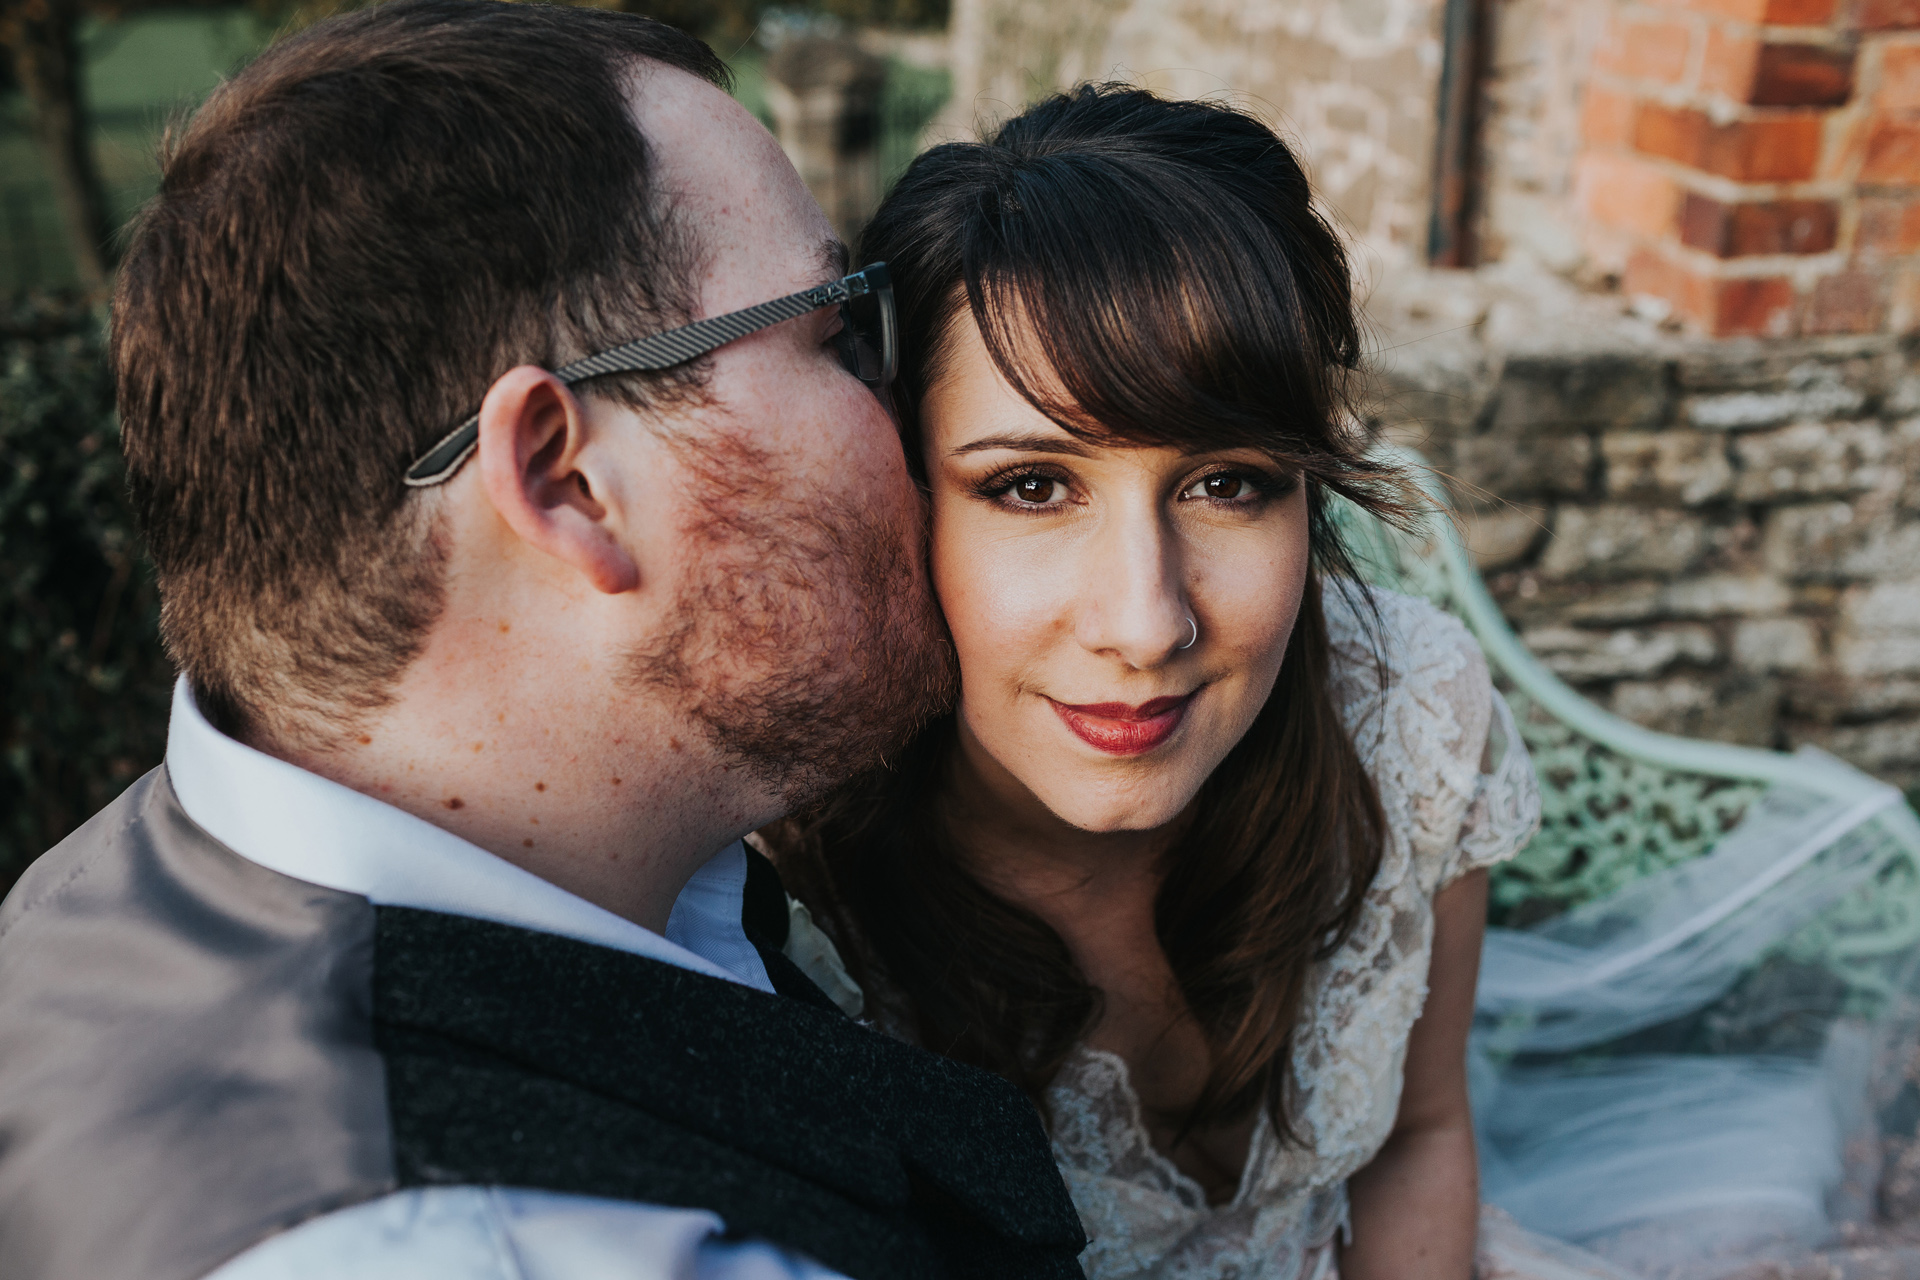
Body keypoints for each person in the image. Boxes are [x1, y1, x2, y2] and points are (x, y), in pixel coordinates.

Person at [0, 4, 1087, 1279]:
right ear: (567, 480)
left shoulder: (114, 896)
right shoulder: (513, 1248)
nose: (907, 412)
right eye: (840, 326)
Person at [765, 86, 1546, 1280]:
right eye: (1032, 485)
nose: (1146, 623)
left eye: (1227, 482)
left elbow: (1420, 1133)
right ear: (902, 494)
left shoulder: (1411, 719)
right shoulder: (782, 877)